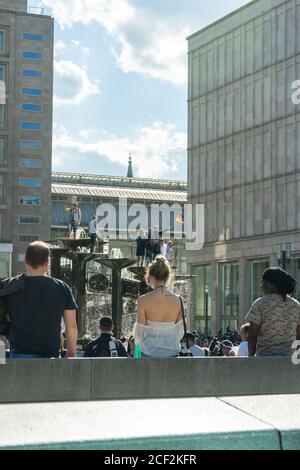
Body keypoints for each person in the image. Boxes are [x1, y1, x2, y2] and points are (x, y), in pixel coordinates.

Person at [7, 241, 78, 359]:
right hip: (50, 355)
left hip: (19, 354)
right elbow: (72, 325)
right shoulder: (62, 287)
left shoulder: (11, 286)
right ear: (47, 263)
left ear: (25, 261)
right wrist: (71, 355)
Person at [133, 255, 184, 357]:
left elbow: (139, 333)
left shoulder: (143, 300)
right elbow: (180, 332)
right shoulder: (178, 300)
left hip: (148, 352)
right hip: (172, 352)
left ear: (150, 277)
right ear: (167, 277)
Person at [246, 267, 300, 357]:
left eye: (263, 282)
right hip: (289, 359)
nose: (261, 286)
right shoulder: (296, 305)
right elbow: (299, 335)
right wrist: (296, 357)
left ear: (271, 284)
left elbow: (252, 334)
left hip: (264, 358)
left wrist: (251, 357)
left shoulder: (260, 304)